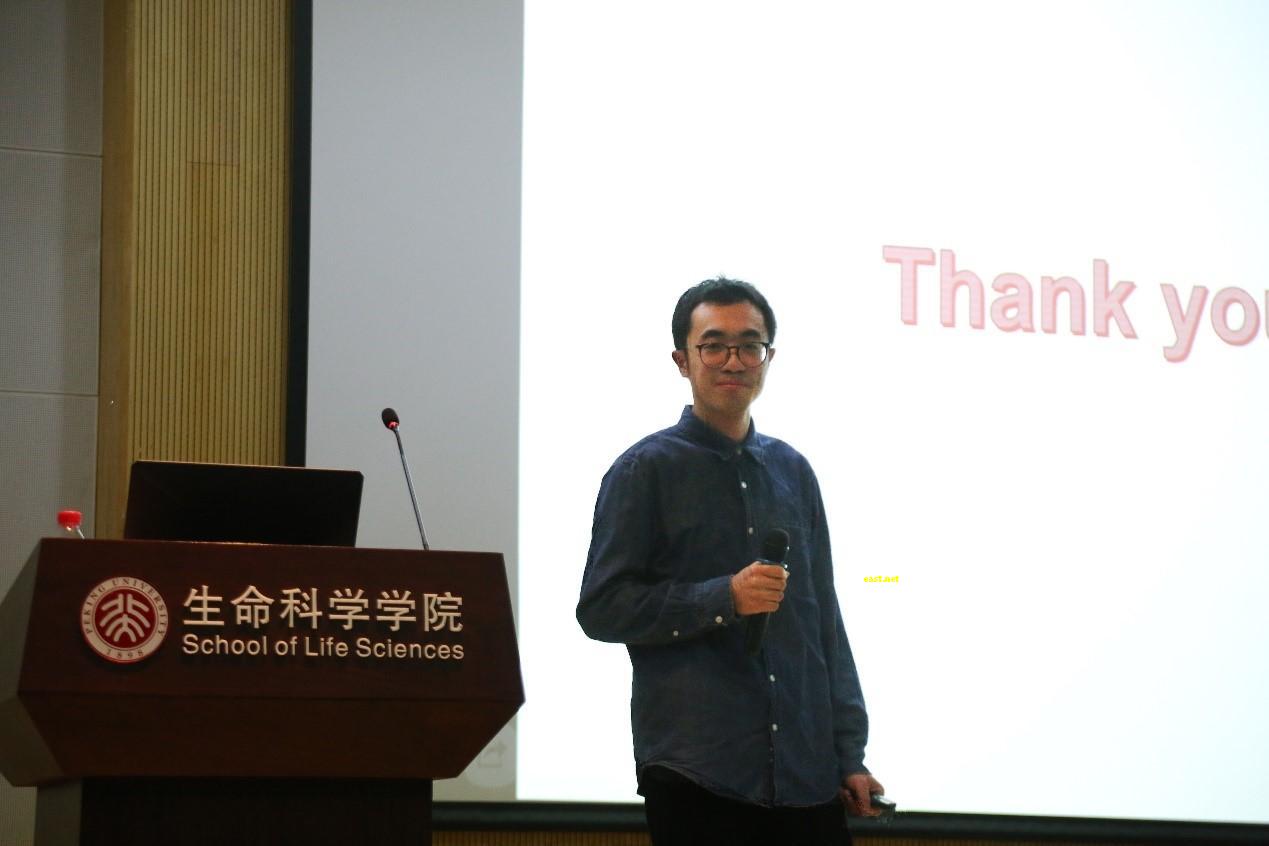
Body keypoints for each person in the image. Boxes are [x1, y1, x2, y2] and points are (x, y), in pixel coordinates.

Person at [577, 277, 884, 845]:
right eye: (714, 345)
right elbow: (602, 607)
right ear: (682, 360)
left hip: (807, 776)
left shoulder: (794, 472)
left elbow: (824, 623)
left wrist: (850, 755)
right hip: (700, 770)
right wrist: (724, 597)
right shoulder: (645, 470)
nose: (734, 360)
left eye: (750, 345)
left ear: (769, 357)